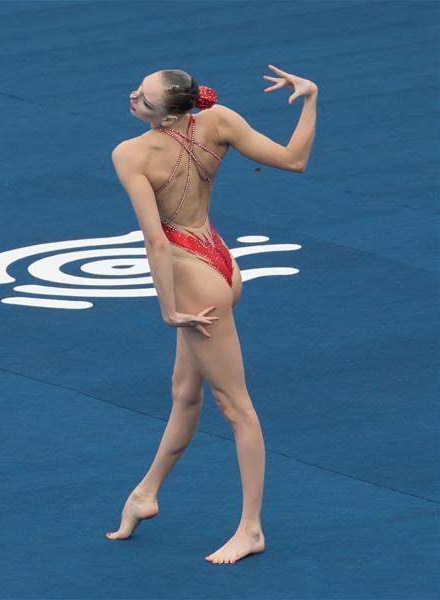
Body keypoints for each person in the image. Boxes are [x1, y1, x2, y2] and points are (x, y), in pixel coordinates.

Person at [107, 66, 318, 564]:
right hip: (220, 259)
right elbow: (294, 159)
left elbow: (156, 242)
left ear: (168, 109)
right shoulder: (217, 120)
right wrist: (309, 99)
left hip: (192, 280)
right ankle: (145, 493)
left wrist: (169, 310)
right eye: (138, 87)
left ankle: (251, 528)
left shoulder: (131, 153)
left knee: (235, 407)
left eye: (144, 97)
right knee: (185, 393)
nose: (133, 95)